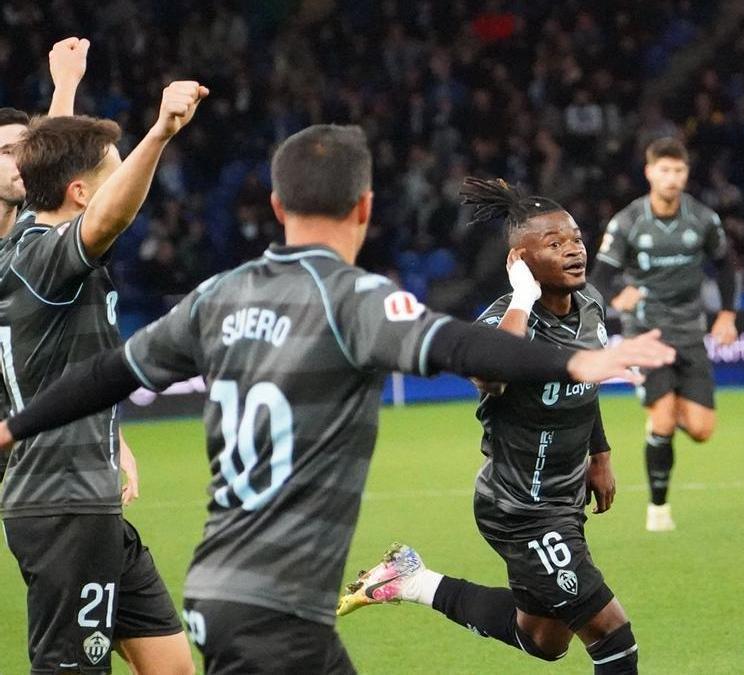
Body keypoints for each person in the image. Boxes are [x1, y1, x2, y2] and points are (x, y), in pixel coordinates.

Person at [0, 125, 674, 673]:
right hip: (284, 604)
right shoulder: (354, 301)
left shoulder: (218, 295)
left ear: (275, 206)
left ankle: (412, 582)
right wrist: (578, 359)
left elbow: (109, 373)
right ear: (365, 208)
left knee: (546, 638)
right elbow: (463, 349)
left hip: (218, 589)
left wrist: (16, 426)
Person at [338, 177, 640, 674]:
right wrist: (522, 297)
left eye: (576, 238)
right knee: (612, 633)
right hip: (520, 509)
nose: (573, 250)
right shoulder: (499, 325)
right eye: (554, 244)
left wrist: (600, 455)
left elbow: (584, 382)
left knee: (543, 639)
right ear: (520, 260)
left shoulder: (591, 306)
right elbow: (493, 372)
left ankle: (411, 581)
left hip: (565, 500)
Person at [0, 79, 206, 674]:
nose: (126, 190)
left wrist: (64, 87)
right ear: (81, 193)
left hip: (87, 501)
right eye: (113, 176)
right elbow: (107, 216)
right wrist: (160, 133)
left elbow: (49, 170)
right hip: (62, 506)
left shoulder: (25, 243)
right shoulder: (44, 259)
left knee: (171, 666)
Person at [591, 137, 739, 532]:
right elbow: (599, 277)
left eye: (678, 170)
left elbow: (726, 267)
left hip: (690, 331)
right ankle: (658, 510)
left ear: (686, 174)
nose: (671, 178)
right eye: (664, 170)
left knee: (702, 430)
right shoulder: (628, 222)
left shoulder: (703, 219)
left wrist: (727, 315)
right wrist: (616, 297)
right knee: (662, 418)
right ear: (649, 172)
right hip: (646, 334)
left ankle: (664, 419)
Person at [0, 37, 91, 238]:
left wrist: (66, 81)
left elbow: (51, 155)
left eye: (26, 150)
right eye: (7, 151)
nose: (22, 160)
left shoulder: (34, 237)